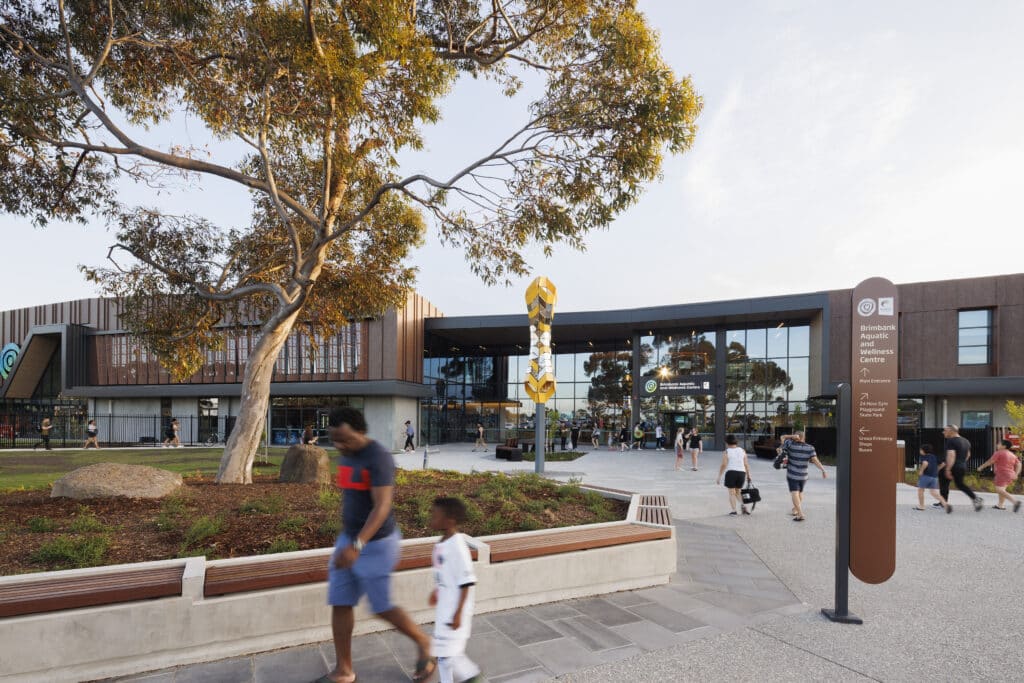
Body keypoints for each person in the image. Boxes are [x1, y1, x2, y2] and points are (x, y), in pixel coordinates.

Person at [321, 406, 435, 683]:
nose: (340, 446)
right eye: (335, 440)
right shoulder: (347, 456)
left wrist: (357, 545)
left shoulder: (379, 458)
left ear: (361, 431)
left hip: (376, 544)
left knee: (381, 606)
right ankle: (344, 670)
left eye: (345, 439)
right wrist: (348, 540)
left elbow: (382, 507)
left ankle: (423, 642)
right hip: (349, 540)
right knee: (340, 601)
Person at [428, 497, 482, 683]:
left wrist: (458, 614)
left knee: (450, 656)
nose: (431, 519)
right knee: (444, 655)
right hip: (445, 607)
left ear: (449, 520)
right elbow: (445, 574)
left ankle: (474, 678)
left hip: (455, 611)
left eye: (435, 516)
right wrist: (437, 591)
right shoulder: (443, 542)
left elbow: (466, 583)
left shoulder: (458, 547)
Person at [780, 432, 827, 522]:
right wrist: (823, 470)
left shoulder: (790, 444)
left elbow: (782, 437)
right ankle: (795, 509)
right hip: (803, 476)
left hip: (792, 474)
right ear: (804, 437)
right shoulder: (810, 448)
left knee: (795, 493)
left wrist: (791, 436)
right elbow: (815, 460)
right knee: (800, 493)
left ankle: (800, 514)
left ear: (795, 436)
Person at [939, 425, 983, 512]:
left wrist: (948, 469)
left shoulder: (951, 441)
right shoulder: (966, 441)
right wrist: (961, 462)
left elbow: (951, 455)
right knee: (960, 484)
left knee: (944, 482)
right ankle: (975, 498)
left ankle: (943, 503)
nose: (943, 432)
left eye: (945, 430)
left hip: (952, 466)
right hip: (962, 466)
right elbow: (968, 455)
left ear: (951, 431)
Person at [977, 439, 1022, 512]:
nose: (997, 445)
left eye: (998, 444)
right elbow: (1019, 464)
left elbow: (990, 461)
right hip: (1010, 474)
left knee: (999, 489)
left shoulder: (999, 453)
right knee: (1002, 490)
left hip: (1002, 473)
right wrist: (1016, 474)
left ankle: (1015, 502)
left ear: (1004, 446)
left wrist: (981, 467)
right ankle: (1000, 505)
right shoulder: (1012, 454)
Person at [716, 435, 752, 515]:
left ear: (727, 442)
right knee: (738, 491)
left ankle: (734, 511)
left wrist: (719, 476)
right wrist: (749, 475)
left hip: (731, 472)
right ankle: (743, 505)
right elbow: (746, 464)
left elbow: (724, 464)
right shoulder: (742, 450)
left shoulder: (727, 451)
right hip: (742, 473)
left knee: (732, 493)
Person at [913, 444, 950, 513]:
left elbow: (925, 463)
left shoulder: (924, 457)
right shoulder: (934, 456)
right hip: (934, 477)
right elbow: (943, 464)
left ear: (923, 451)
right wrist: (937, 470)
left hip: (926, 476)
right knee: (933, 492)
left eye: (920, 450)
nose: (920, 451)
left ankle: (922, 506)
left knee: (920, 490)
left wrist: (921, 471)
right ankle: (945, 504)